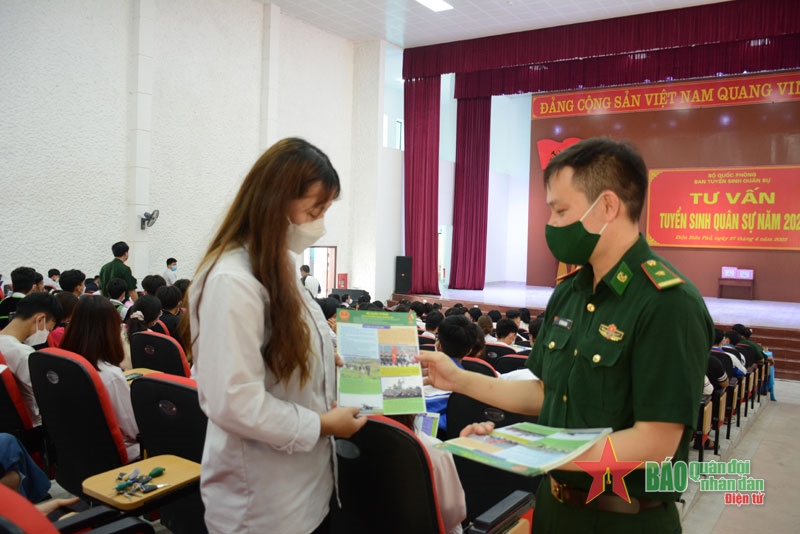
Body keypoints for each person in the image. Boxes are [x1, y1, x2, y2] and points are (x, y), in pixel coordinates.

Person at [420, 138, 712, 533]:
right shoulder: (570, 292)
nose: (552, 224)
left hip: (624, 519)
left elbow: (656, 441)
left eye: (561, 211)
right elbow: (546, 391)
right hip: (554, 507)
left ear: (607, 207)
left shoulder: (667, 304)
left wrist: (537, 453)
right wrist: (456, 378)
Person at [184, 137, 366, 533]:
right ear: (275, 204)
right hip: (263, 505)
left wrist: (323, 359)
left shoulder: (281, 265)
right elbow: (233, 400)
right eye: (314, 210)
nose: (320, 223)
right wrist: (322, 426)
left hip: (307, 492)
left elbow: (279, 351)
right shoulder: (233, 280)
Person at [60, 296, 140, 460]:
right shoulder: (110, 375)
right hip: (123, 456)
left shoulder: (63, 364)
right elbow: (135, 430)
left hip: (79, 453)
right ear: (109, 330)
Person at [0, 293, 63, 426]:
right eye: (49, 329)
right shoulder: (23, 354)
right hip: (34, 429)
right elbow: (44, 399)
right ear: (40, 319)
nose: (46, 335)